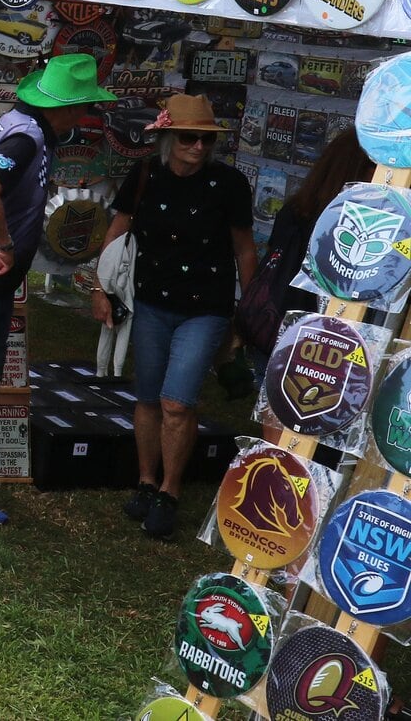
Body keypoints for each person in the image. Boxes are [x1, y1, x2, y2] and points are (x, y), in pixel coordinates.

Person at [0, 53, 116, 528]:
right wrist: (3, 244)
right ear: (71, 108)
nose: (84, 117)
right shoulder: (26, 136)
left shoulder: (22, 127)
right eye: (84, 108)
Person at [103, 94, 254, 540]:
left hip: (206, 307)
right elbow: (119, 229)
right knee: (147, 397)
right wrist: (101, 285)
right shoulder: (146, 174)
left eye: (207, 140)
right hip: (150, 300)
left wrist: (249, 307)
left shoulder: (229, 184)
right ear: (168, 138)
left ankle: (170, 491)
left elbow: (244, 246)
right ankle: (147, 482)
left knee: (177, 401)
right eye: (190, 138)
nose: (199, 147)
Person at [238, 128, 373, 384]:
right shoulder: (340, 222)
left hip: (279, 329)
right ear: (358, 170)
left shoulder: (297, 209)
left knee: (277, 408)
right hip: (313, 337)